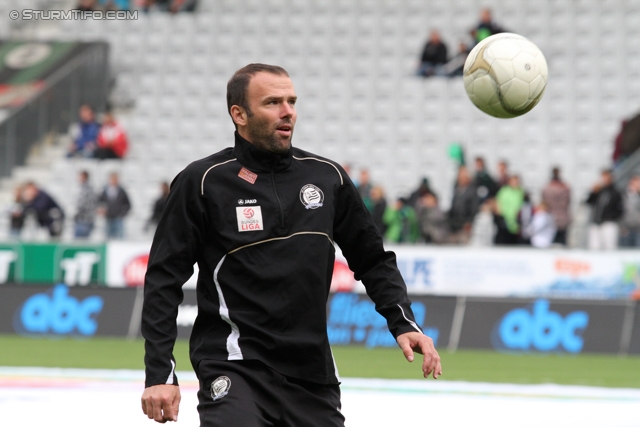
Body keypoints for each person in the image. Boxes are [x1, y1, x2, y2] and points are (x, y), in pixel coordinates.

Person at [140, 64, 441, 426]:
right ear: (239, 114)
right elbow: (163, 279)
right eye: (272, 102)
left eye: (291, 101)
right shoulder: (202, 182)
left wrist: (403, 322)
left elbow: (373, 259)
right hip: (235, 365)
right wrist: (160, 372)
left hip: (312, 376)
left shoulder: (326, 177)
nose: (287, 111)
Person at [586, 169, 623, 250]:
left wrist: (610, 217)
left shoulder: (615, 192)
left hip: (609, 223)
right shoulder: (599, 191)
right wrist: (593, 192)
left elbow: (620, 210)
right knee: (594, 247)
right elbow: (588, 202)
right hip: (596, 223)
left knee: (609, 247)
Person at [447, 166, 479, 244]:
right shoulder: (456, 191)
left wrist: (469, 222)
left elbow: (474, 209)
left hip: (465, 227)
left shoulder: (472, 192)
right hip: (454, 226)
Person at [541, 167, 571, 245]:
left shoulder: (547, 188)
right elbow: (567, 202)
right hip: (562, 218)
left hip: (551, 218)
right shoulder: (565, 188)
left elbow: (544, 202)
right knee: (561, 243)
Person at [98, 172, 131, 239]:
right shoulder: (105, 191)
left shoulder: (122, 191)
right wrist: (101, 210)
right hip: (108, 217)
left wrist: (122, 213)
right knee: (107, 237)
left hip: (118, 218)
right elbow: (99, 202)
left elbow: (128, 204)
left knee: (119, 237)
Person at [495, 175, 525, 245]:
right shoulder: (504, 191)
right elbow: (498, 203)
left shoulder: (521, 192)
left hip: (516, 223)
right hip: (504, 221)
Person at [74, 170, 98, 239]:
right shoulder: (89, 188)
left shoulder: (86, 189)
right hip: (86, 220)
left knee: (80, 243)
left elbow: (82, 205)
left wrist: (75, 214)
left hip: (84, 220)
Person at [619, 175, 640, 248]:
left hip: (638, 229)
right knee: (625, 251)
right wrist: (622, 226)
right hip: (626, 229)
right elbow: (619, 212)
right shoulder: (622, 196)